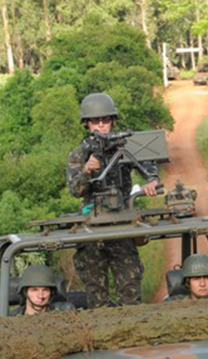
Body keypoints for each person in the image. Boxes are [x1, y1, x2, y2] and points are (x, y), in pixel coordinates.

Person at [66, 93, 158, 308]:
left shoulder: (124, 146)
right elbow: (76, 190)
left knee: (130, 289)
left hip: (122, 223)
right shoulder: (79, 154)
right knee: (96, 297)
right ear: (87, 124)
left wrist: (152, 181)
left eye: (105, 120)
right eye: (95, 121)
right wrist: (87, 170)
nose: (101, 125)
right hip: (92, 227)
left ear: (112, 121)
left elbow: (148, 166)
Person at [11, 264, 75, 316]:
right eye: (34, 290)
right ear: (25, 292)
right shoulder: (12, 319)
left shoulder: (64, 313)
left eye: (45, 290)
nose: (41, 296)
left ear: (51, 293)